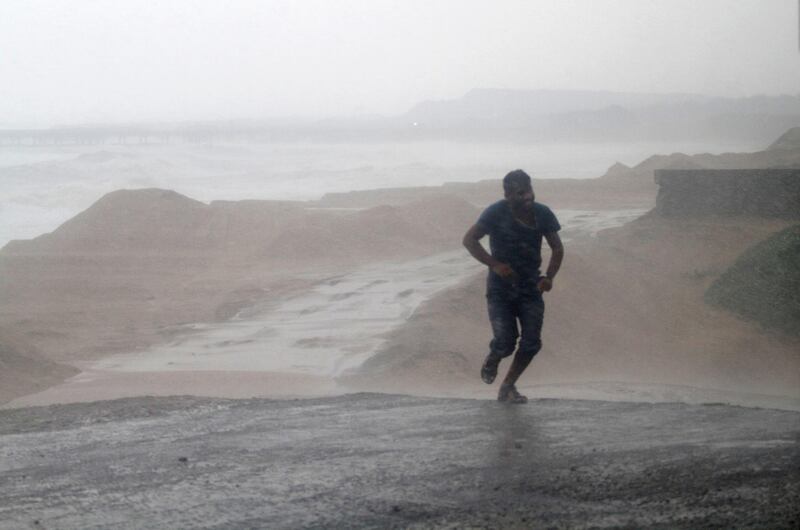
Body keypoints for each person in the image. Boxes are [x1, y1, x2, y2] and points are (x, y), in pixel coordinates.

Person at [462, 169, 564, 404]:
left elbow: (557, 248)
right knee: (506, 342)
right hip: (501, 289)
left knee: (532, 343)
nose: (528, 198)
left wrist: (549, 276)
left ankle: (508, 386)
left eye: (529, 191)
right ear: (507, 194)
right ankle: (494, 357)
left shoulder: (542, 214)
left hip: (531, 288)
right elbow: (469, 240)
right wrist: (494, 264)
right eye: (520, 194)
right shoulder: (495, 212)